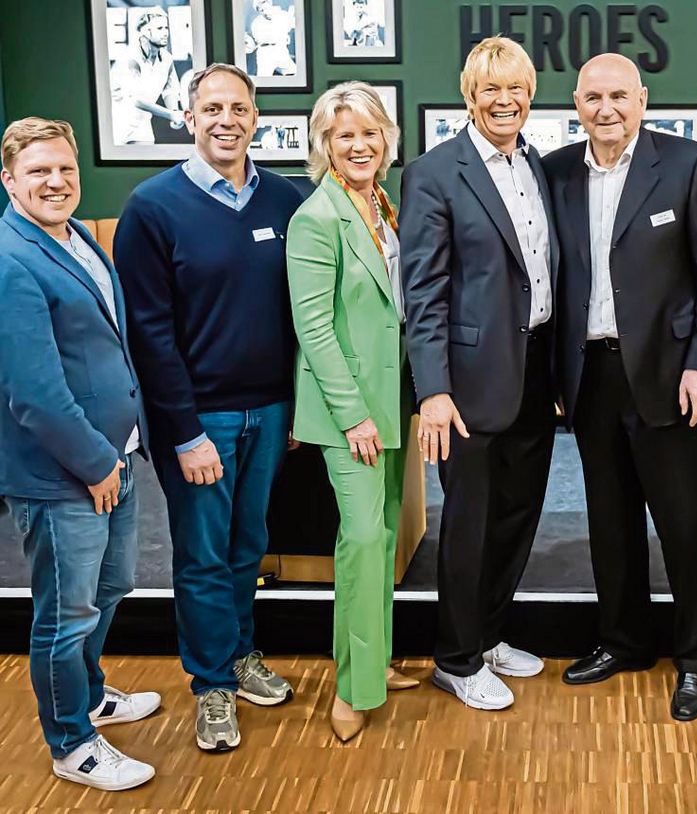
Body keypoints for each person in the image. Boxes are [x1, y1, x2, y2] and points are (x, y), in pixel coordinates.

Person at [114, 63, 304, 752]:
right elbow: (150, 333)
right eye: (212, 108)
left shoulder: (286, 199)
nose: (226, 119)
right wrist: (185, 431)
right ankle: (211, 686)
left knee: (248, 547)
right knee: (201, 554)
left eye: (239, 108)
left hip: (271, 412)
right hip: (198, 422)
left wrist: (293, 411)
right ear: (189, 119)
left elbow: (298, 315)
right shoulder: (151, 207)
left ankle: (239, 657)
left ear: (256, 117)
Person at [543, 53, 697, 722]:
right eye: (593, 97)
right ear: (577, 103)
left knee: (683, 524)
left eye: (619, 95)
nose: (606, 109)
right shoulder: (556, 171)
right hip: (590, 375)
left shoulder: (685, 164)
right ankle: (624, 641)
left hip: (671, 377)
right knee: (609, 522)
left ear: (643, 100)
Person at [399, 36, 557, 712]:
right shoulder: (435, 172)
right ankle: (456, 658)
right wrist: (432, 389)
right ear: (470, 95)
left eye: (515, 88)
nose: (504, 100)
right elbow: (424, 291)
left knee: (518, 515)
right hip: (466, 383)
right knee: (469, 521)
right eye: (491, 89)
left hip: (536, 369)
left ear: (529, 96)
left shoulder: (538, 165)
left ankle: (488, 634)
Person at [0, 117, 158, 790]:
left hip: (111, 457)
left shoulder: (75, 239)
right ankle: (72, 743)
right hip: (64, 473)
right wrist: (95, 464)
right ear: (9, 180)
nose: (56, 181)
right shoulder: (11, 260)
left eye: (64, 168)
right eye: (38, 171)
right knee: (65, 616)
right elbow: (34, 393)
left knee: (112, 587)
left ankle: (88, 694)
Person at [287, 82, 418, 742]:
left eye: (370, 132)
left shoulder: (381, 206)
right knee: (363, 539)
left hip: (392, 402)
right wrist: (353, 416)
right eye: (345, 135)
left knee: (380, 542)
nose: (359, 144)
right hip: (354, 413)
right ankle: (352, 690)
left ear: (387, 140)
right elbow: (314, 329)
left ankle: (370, 660)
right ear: (324, 145)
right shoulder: (317, 218)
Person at [110, 6, 186, 145]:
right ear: (145, 31)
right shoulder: (130, 59)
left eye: (166, 28)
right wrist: (170, 114)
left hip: (143, 125)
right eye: (159, 29)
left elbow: (169, 90)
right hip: (117, 126)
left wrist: (174, 111)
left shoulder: (167, 59)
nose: (165, 33)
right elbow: (137, 100)